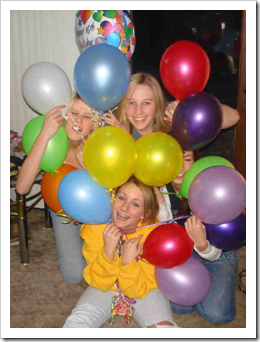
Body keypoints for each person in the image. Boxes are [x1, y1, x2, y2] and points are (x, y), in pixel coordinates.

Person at [63, 176, 180, 328]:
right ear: (113, 198)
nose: (124, 207)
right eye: (121, 198)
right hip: (107, 286)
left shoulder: (154, 236)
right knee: (75, 324)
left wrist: (128, 263)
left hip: (143, 288)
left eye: (135, 204)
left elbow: (137, 290)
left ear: (145, 212)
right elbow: (97, 281)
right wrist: (108, 251)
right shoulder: (95, 228)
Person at [16, 93, 101, 284]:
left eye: (87, 116)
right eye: (73, 112)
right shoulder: (54, 144)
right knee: (73, 276)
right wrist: (45, 134)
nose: (79, 120)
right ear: (63, 115)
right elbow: (22, 187)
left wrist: (87, 169)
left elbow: (107, 197)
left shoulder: (97, 145)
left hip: (94, 210)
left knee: (105, 264)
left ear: (94, 124)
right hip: (63, 212)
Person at [156, 150, 240, 325]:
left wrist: (203, 245)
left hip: (219, 252)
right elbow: (164, 233)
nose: (180, 167)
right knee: (181, 307)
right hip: (186, 252)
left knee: (217, 315)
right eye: (173, 159)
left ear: (197, 164)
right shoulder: (161, 189)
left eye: (186, 159)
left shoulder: (210, 189)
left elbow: (220, 244)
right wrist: (160, 203)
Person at [102, 72, 240, 140]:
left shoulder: (169, 114)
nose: (138, 111)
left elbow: (233, 117)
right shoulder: (115, 126)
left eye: (146, 103)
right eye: (131, 102)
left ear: (158, 103)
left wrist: (188, 114)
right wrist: (124, 141)